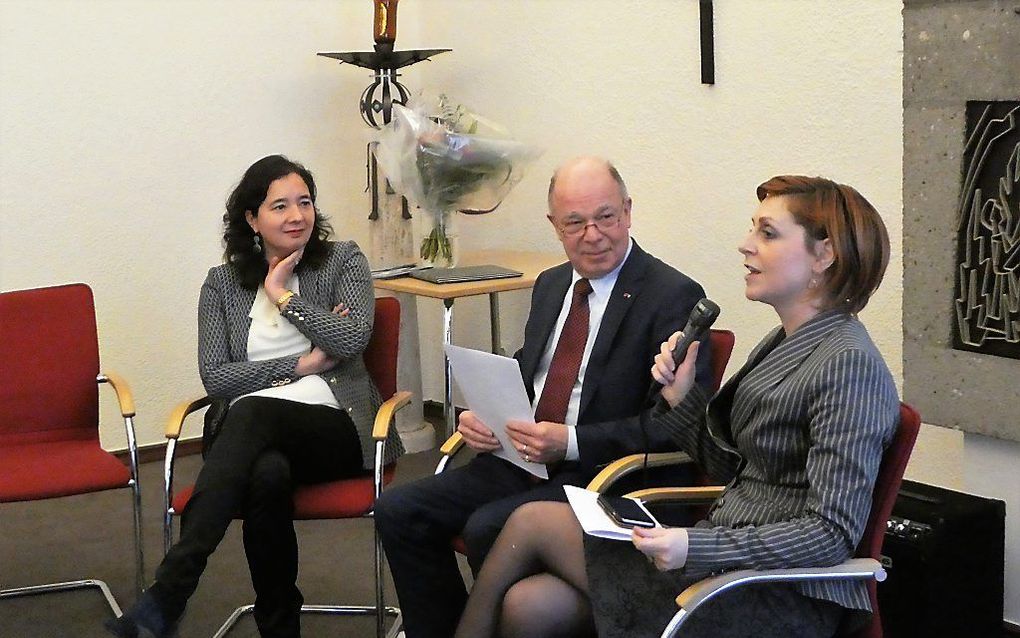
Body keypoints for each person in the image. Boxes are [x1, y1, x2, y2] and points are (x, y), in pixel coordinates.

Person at [454, 175, 900, 638]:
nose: (745, 246)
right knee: (531, 604)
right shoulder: (786, 341)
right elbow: (736, 470)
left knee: (531, 521)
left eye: (767, 233)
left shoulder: (848, 365)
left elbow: (829, 533)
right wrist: (682, 397)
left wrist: (696, 546)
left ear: (824, 255)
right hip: (724, 563)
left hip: (776, 595)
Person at [374, 156, 711, 638]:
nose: (593, 234)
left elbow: (668, 426)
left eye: (606, 217)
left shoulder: (672, 294)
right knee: (400, 509)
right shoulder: (553, 284)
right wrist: (485, 415)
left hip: (607, 473)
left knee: (488, 524)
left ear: (629, 212)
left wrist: (570, 442)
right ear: (555, 226)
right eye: (575, 222)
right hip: (521, 457)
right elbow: (534, 369)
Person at [106, 155, 403, 638]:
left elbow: (350, 341)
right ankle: (279, 624)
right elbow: (216, 378)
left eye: (304, 203)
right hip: (256, 439)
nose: (296, 216)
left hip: (336, 429)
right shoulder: (221, 284)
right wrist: (302, 364)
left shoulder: (343, 260)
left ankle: (170, 592)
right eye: (279, 206)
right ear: (251, 219)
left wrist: (282, 294)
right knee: (267, 474)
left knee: (255, 410)